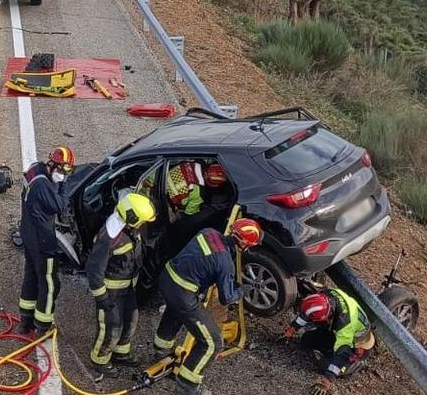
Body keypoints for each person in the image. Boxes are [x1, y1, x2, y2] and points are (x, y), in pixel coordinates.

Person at [152, 218, 263, 395]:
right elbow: (227, 298)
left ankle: (161, 351)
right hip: (183, 294)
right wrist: (242, 290)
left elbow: (201, 259)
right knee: (212, 342)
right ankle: (187, 386)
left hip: (167, 279)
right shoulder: (225, 264)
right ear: (244, 245)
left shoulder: (208, 232)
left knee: (175, 310)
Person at [87, 192, 157, 379]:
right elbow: (94, 271)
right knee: (111, 326)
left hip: (128, 287)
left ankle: (120, 353)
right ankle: (99, 359)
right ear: (133, 218)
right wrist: (102, 298)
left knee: (131, 319)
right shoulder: (109, 238)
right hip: (111, 290)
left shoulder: (130, 229)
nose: (144, 225)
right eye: (142, 221)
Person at [17, 145, 76, 336]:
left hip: (28, 233)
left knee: (32, 275)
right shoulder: (43, 184)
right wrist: (64, 183)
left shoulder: (34, 170)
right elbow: (59, 206)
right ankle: (43, 326)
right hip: (42, 240)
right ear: (54, 165)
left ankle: (25, 321)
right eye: (63, 171)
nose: (63, 175)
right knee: (50, 284)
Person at [284, 289, 375, 394]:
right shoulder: (324, 295)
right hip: (337, 332)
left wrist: (327, 379)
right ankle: (330, 348)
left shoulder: (344, 324)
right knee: (307, 340)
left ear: (327, 316)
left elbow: (343, 354)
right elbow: (306, 313)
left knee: (326, 365)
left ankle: (355, 363)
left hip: (357, 346)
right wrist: (290, 331)